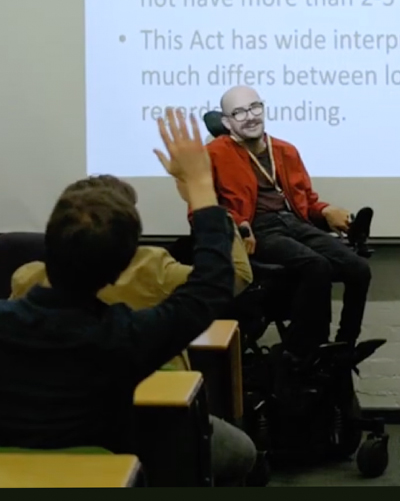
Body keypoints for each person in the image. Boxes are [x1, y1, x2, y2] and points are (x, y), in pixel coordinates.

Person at [0, 109, 255, 485]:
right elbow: (214, 284)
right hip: (106, 469)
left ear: (47, 243)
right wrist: (201, 185)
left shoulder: (12, 307)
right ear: (122, 265)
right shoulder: (127, 337)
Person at [9, 174, 254, 371]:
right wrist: (209, 202)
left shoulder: (27, 279)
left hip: (43, 417)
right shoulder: (149, 269)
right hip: (155, 410)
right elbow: (235, 276)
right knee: (234, 437)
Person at [203, 85, 371, 358]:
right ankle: (306, 351)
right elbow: (204, 209)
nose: (250, 116)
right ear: (226, 122)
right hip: (259, 228)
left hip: (294, 223)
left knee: (359, 269)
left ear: (263, 108)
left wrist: (327, 211)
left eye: (254, 107)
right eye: (239, 112)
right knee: (316, 265)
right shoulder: (214, 154)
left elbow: (307, 201)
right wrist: (238, 224)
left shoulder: (285, 151)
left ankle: (343, 347)